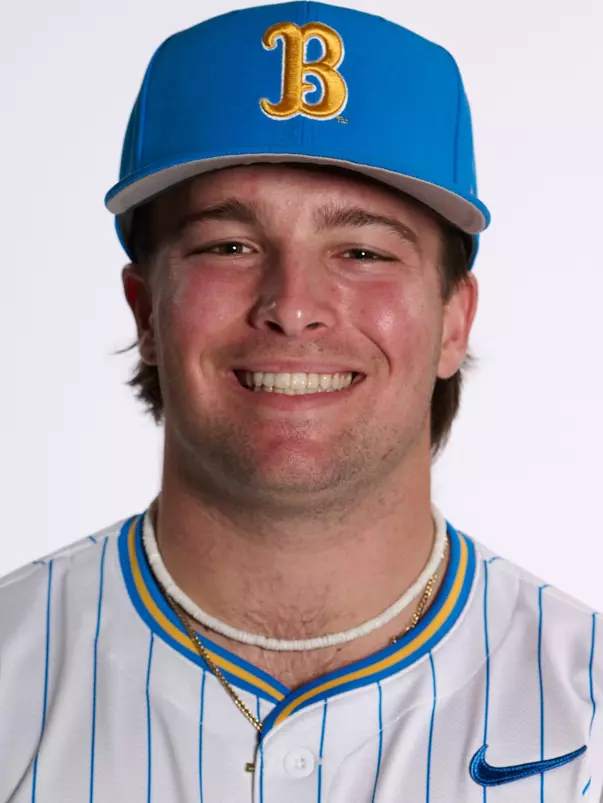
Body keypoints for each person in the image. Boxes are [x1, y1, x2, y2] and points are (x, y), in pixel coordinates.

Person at [0, 2, 600, 801]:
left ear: (454, 320)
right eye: (229, 245)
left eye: (361, 250)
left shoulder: (586, 706)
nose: (292, 304)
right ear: (146, 310)